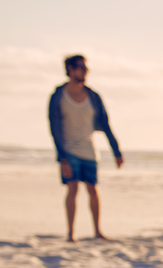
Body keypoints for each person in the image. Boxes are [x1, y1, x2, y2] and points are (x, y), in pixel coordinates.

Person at [47, 55, 123, 241]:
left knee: (93, 189)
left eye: (85, 67)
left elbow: (105, 124)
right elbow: (54, 128)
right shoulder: (58, 96)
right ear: (70, 70)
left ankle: (97, 231)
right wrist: (62, 157)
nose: (84, 71)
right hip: (69, 150)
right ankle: (71, 233)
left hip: (89, 151)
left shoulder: (94, 97)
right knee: (72, 189)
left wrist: (116, 150)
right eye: (80, 67)